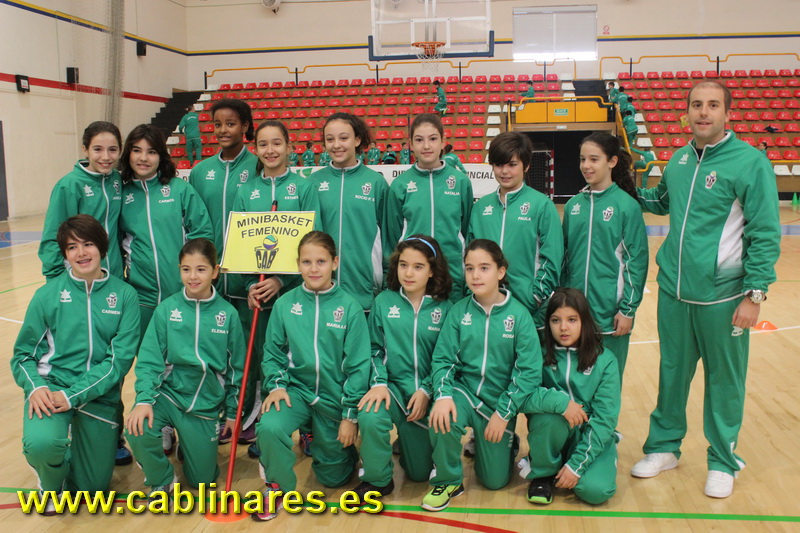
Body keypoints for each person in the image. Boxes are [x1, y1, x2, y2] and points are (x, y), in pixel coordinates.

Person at [631, 80, 781, 499]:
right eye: (696, 104)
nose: (703, 112)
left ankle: (722, 460)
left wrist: (755, 294)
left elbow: (765, 231)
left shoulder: (750, 163)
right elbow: (661, 201)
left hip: (724, 297)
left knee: (724, 381)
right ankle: (664, 447)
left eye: (713, 105)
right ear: (687, 113)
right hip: (674, 293)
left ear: (727, 114)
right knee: (671, 374)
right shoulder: (679, 159)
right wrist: (626, 187)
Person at [251, 231, 390, 522]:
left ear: (335, 263)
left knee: (334, 479)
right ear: (298, 265)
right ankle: (277, 487)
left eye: (321, 261)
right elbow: (273, 352)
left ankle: (341, 450)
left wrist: (350, 417)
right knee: (270, 425)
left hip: (333, 398)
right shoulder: (285, 304)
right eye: (307, 262)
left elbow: (358, 367)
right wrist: (276, 385)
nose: (314, 269)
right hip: (297, 392)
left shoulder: (349, 308)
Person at [423, 240, 565, 511]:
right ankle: (448, 480)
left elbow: (528, 373)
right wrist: (442, 396)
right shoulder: (459, 311)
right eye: (469, 268)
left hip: (498, 403)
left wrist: (503, 413)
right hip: (465, 393)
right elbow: (443, 359)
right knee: (442, 417)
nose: (475, 275)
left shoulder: (519, 316)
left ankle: (505, 446)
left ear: (501, 271)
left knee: (494, 481)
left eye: (484, 268)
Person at [12, 215, 140, 514]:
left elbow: (118, 361)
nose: (81, 253)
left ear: (102, 248)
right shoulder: (47, 295)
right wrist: (36, 388)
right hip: (51, 388)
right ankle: (50, 483)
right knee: (42, 445)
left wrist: (73, 396)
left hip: (98, 396)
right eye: (72, 247)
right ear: (65, 254)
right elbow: (22, 356)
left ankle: (71, 456)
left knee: (92, 489)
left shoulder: (125, 295)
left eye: (88, 244)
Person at [125, 238, 245, 496]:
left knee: (204, 482)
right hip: (168, 396)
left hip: (205, 404)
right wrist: (144, 400)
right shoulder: (166, 310)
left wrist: (234, 413)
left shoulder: (228, 315)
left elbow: (237, 370)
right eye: (186, 269)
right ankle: (162, 478)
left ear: (215, 271)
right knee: (136, 427)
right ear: (179, 270)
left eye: (201, 269)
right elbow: (149, 361)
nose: (193, 276)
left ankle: (189, 447)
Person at [235, 120, 321, 452]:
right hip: (260, 297)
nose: (270, 150)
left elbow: (314, 242)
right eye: (263, 144)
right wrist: (250, 285)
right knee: (266, 361)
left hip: (296, 293)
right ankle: (267, 426)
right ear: (255, 149)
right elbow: (239, 245)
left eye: (276, 143)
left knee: (300, 359)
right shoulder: (246, 191)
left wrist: (281, 280)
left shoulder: (303, 187)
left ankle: (308, 428)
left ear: (289, 146)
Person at [187, 98, 257, 443]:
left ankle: (249, 414)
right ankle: (216, 413)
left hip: (247, 281)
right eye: (217, 124)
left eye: (231, 123)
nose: (223, 130)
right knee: (215, 351)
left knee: (248, 353)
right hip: (211, 280)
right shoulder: (200, 172)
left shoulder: (258, 165)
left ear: (245, 126)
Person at [360, 235, 453, 484]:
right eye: (403, 265)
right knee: (370, 413)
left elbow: (448, 360)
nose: (408, 273)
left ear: (432, 271)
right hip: (390, 390)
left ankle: (409, 444)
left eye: (418, 266)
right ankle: (378, 480)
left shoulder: (445, 309)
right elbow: (373, 349)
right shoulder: (383, 302)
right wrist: (379, 383)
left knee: (419, 475)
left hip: (424, 398)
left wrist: (426, 390)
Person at [523, 288, 620, 506]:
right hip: (555, 431)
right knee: (548, 418)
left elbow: (605, 418)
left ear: (584, 321)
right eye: (556, 320)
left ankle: (587, 459)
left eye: (572, 320)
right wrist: (561, 403)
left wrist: (576, 466)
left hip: (590, 437)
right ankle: (544, 472)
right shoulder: (538, 354)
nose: (563, 327)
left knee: (595, 491)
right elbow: (524, 396)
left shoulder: (605, 361)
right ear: (548, 323)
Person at [562, 132, 648, 378]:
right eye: (582, 159)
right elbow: (564, 260)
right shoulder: (573, 206)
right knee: (575, 384)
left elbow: (636, 262)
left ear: (612, 161)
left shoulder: (627, 206)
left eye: (594, 159)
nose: (586, 166)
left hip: (611, 316)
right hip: (574, 314)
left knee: (608, 385)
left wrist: (627, 310)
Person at [119, 124, 214, 337]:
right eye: (137, 150)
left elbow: (203, 235)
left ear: (161, 156)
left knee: (182, 352)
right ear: (128, 154)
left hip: (182, 293)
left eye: (151, 152)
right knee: (146, 353)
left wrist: (196, 280)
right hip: (141, 298)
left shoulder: (180, 189)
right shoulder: (122, 194)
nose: (143, 158)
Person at [468, 131, 562, 331]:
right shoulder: (480, 208)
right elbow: (468, 257)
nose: (505, 171)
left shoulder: (541, 206)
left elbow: (552, 258)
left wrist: (534, 297)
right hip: (486, 310)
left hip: (529, 312)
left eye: (512, 164)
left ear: (526, 166)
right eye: (499, 164)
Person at [385, 114, 473, 302]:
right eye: (419, 140)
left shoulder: (460, 182)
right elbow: (393, 235)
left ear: (443, 142)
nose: (426, 146)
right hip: (413, 279)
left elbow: (466, 229)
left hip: (453, 275)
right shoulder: (400, 185)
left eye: (433, 139)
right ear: (411, 144)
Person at [308, 112, 389, 312]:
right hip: (322, 290)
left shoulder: (376, 182)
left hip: (365, 290)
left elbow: (388, 237)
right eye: (330, 139)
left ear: (357, 140)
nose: (336, 145)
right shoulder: (313, 183)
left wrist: (386, 280)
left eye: (343, 138)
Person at [39, 121, 124, 281]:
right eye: (97, 149)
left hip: (114, 277)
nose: (106, 157)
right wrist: (56, 280)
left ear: (120, 150)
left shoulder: (116, 180)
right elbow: (53, 237)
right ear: (85, 149)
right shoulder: (69, 186)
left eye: (112, 149)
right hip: (82, 279)